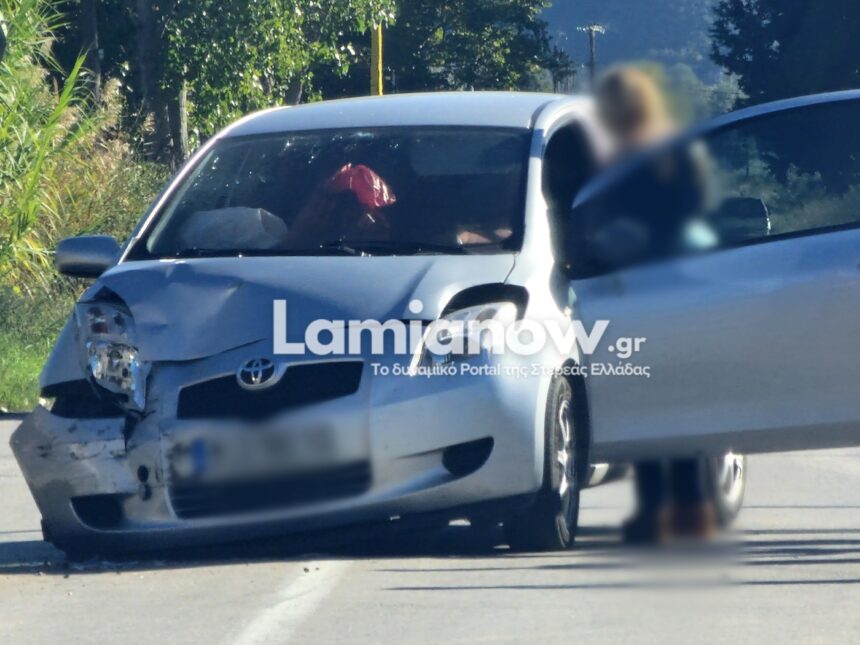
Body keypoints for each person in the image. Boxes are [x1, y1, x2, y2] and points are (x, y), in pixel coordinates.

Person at [593, 67, 717, 543]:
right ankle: (691, 511)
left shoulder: (622, 157)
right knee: (680, 403)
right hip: (681, 287)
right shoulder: (678, 148)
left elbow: (605, 219)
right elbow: (696, 206)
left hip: (640, 288)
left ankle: (655, 514)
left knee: (647, 403)